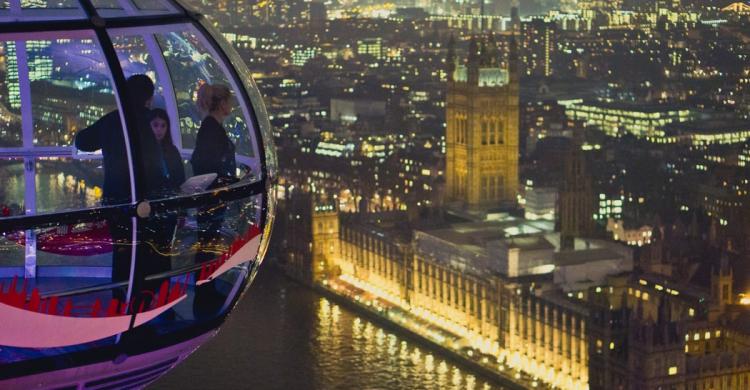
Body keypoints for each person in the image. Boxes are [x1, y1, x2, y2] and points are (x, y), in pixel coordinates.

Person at [74, 74, 167, 307]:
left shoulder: (113, 121)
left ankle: (120, 299)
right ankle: (143, 300)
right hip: (146, 200)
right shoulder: (150, 122)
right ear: (148, 98)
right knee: (145, 250)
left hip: (116, 200)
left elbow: (82, 141)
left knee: (122, 249)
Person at [190, 83, 237, 318]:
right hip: (213, 198)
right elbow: (207, 163)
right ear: (221, 103)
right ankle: (204, 294)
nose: (231, 106)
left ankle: (205, 291)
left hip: (212, 196)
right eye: (228, 101)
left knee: (207, 243)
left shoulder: (210, 127)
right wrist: (225, 182)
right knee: (207, 244)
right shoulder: (212, 129)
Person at [149, 108, 185, 190]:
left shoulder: (173, 150)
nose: (159, 129)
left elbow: (181, 178)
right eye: (155, 125)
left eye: (163, 126)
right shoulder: (144, 152)